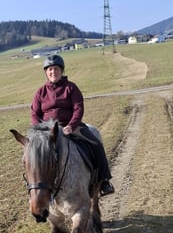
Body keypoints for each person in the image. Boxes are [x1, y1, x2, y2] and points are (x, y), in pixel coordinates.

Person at [31, 54, 115, 196]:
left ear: (61, 70)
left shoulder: (71, 87)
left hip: (70, 127)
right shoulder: (40, 92)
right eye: (50, 69)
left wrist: (71, 125)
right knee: (33, 154)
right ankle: (37, 186)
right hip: (48, 132)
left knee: (95, 144)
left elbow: (78, 108)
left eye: (56, 69)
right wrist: (40, 130)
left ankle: (104, 180)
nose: (53, 72)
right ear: (46, 72)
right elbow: (34, 113)